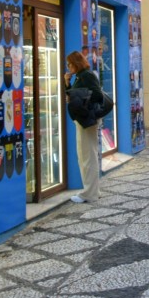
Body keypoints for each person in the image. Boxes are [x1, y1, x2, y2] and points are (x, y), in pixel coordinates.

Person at [64, 51, 101, 203]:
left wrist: (80, 98)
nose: (68, 66)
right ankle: (92, 191)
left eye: (69, 64)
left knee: (88, 157)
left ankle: (89, 194)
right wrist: (68, 84)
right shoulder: (80, 76)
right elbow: (72, 95)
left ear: (76, 63)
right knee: (85, 156)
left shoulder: (86, 76)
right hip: (82, 120)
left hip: (87, 120)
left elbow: (97, 95)